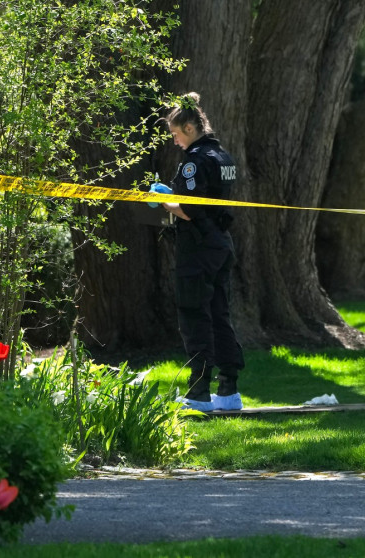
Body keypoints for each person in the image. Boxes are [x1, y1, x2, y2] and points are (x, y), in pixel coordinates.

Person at [160, 92, 245, 412]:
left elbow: (190, 210)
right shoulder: (222, 156)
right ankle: (229, 389)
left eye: (176, 134)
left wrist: (163, 202)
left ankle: (198, 392)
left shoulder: (195, 160)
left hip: (198, 247)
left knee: (194, 314)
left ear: (191, 127)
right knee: (220, 314)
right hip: (222, 244)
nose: (175, 141)